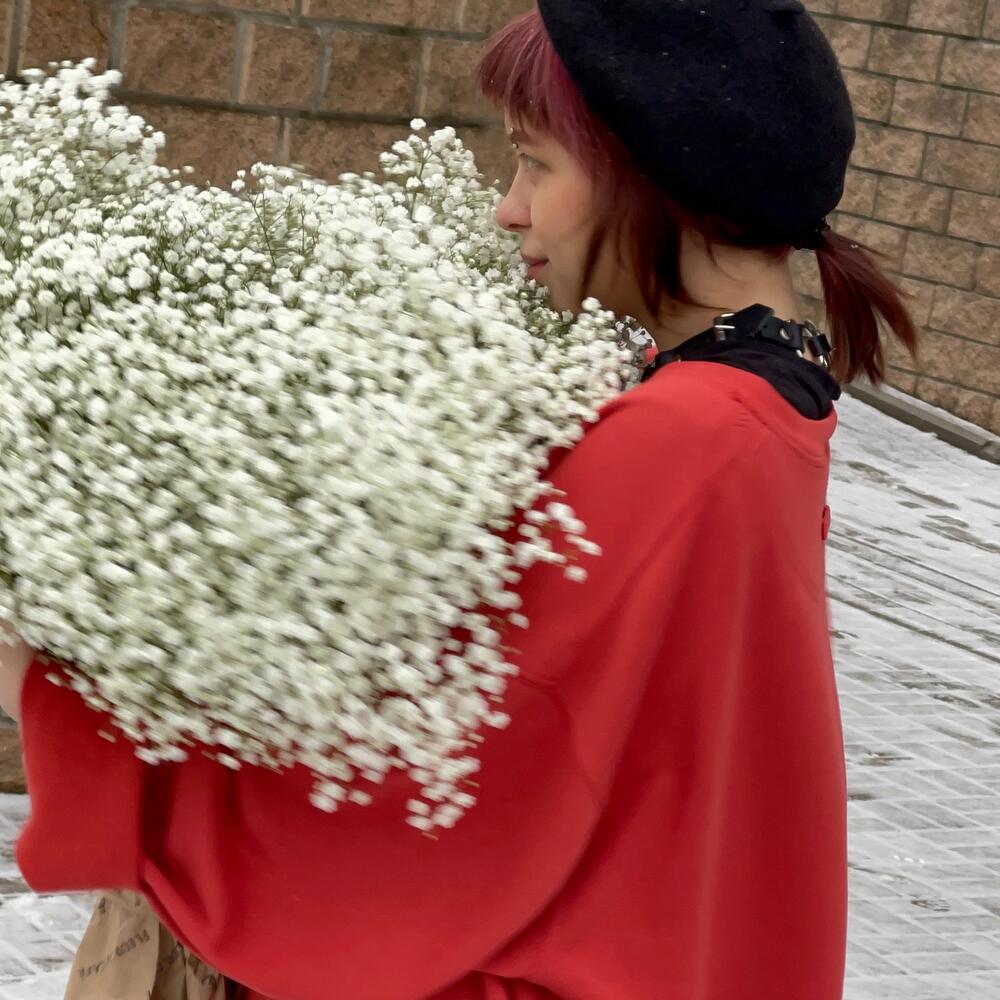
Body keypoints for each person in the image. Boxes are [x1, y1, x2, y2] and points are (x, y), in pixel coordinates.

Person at [0, 2, 918, 998]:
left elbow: (422, 795)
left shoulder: (681, 439)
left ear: (652, 174)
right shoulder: (761, 395)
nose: (506, 210)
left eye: (535, 163)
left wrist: (44, 682)